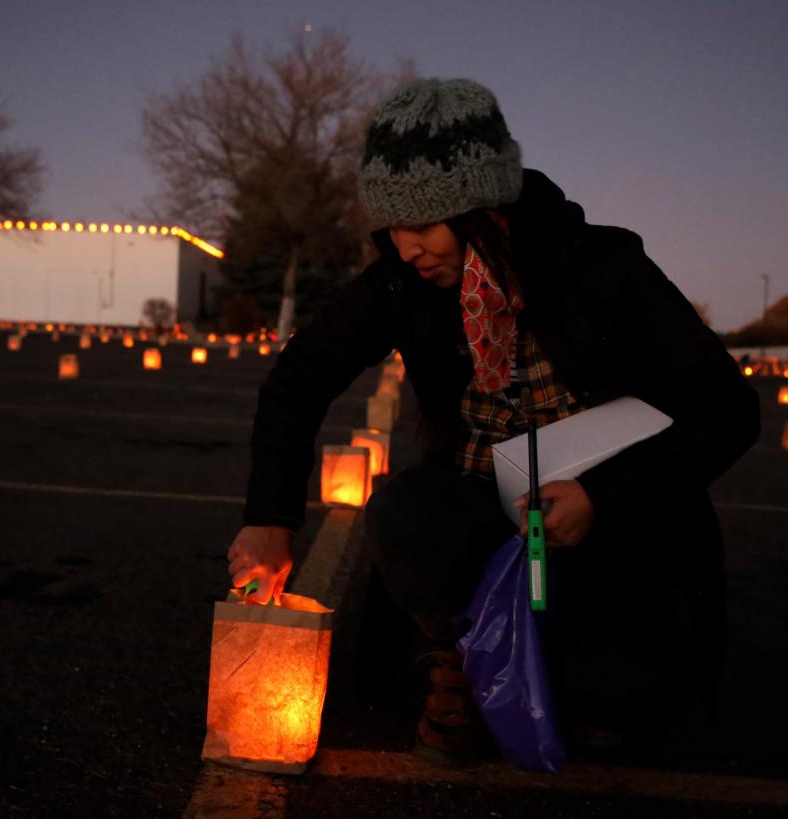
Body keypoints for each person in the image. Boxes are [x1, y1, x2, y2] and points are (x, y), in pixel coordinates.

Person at [226, 78, 759, 764]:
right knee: (403, 510)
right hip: (479, 507)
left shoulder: (604, 267)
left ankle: (586, 659)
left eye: (423, 224)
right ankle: (464, 656)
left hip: (612, 525)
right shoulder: (401, 282)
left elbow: (729, 409)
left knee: (612, 705)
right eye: (391, 226)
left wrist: (605, 497)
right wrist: (271, 517)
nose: (405, 246)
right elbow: (296, 381)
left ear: (485, 209)